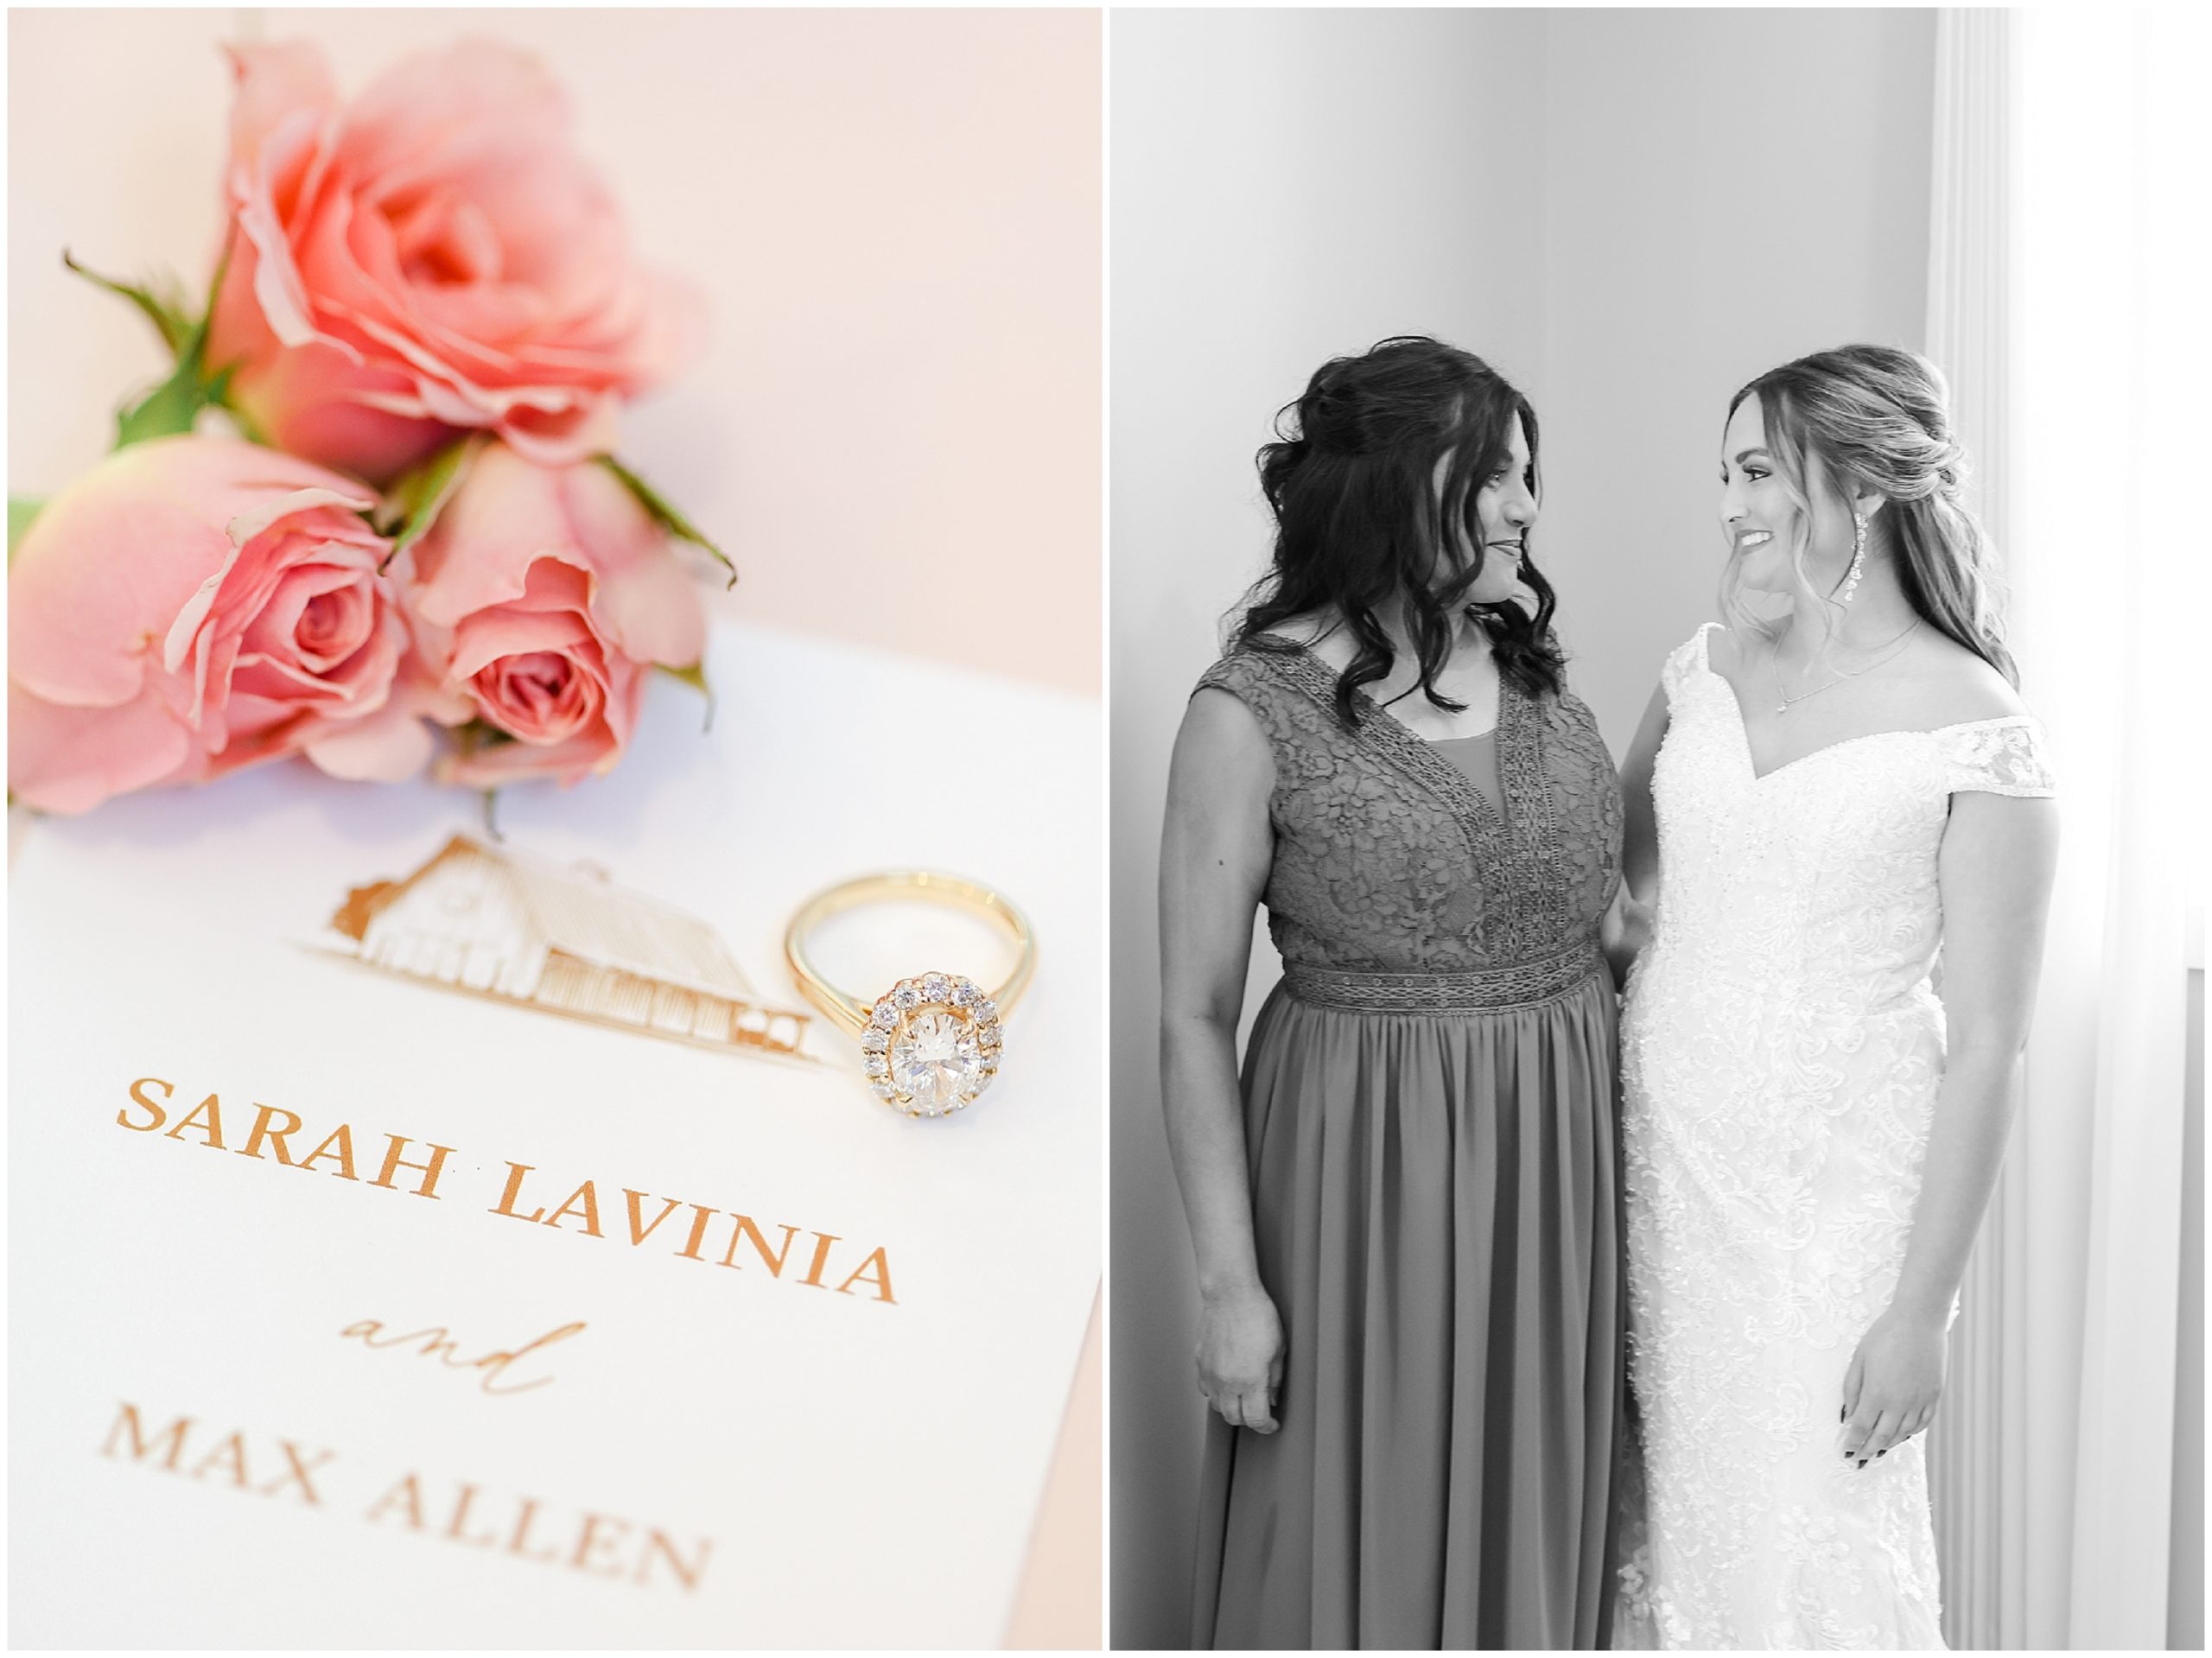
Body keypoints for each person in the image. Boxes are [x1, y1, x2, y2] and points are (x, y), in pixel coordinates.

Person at [1160, 336, 1626, 1649]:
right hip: (1362, 1180)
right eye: (1495, 479)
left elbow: (1613, 921)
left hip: (1557, 1175)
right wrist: (1229, 1290)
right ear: (1394, 486)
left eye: (1528, 479)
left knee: (1532, 1519)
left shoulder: (1534, 676)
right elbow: (1191, 1015)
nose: (1525, 511)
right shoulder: (1248, 712)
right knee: (1354, 1533)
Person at [1611, 345, 2060, 1648]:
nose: (1730, 503)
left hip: (1831, 1208)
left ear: (1858, 487)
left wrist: (1920, 1313)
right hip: (1665, 1183)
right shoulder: (1698, 671)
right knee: (1672, 1520)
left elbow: (1988, 1043)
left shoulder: (1976, 727)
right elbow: (1627, 902)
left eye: (1757, 470)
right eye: (1728, 473)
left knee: (1816, 1536)